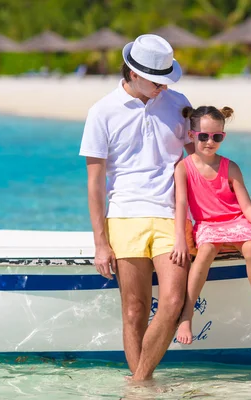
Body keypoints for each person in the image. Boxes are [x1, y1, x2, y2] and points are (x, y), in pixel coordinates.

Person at [79, 34, 194, 381]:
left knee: (173, 302)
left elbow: (195, 165)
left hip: (171, 216)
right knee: (134, 310)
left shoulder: (179, 102)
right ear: (133, 72)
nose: (163, 86)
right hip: (124, 215)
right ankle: (143, 385)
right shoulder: (101, 112)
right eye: (157, 80)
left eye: (165, 79)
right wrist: (100, 243)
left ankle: (139, 383)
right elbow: (95, 183)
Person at [170, 105, 251, 346]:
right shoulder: (183, 168)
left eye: (217, 137)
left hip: (235, 220)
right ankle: (187, 314)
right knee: (206, 250)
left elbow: (247, 206)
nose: (210, 141)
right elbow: (181, 205)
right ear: (191, 135)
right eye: (204, 136)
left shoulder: (230, 167)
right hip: (208, 224)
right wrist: (179, 239)